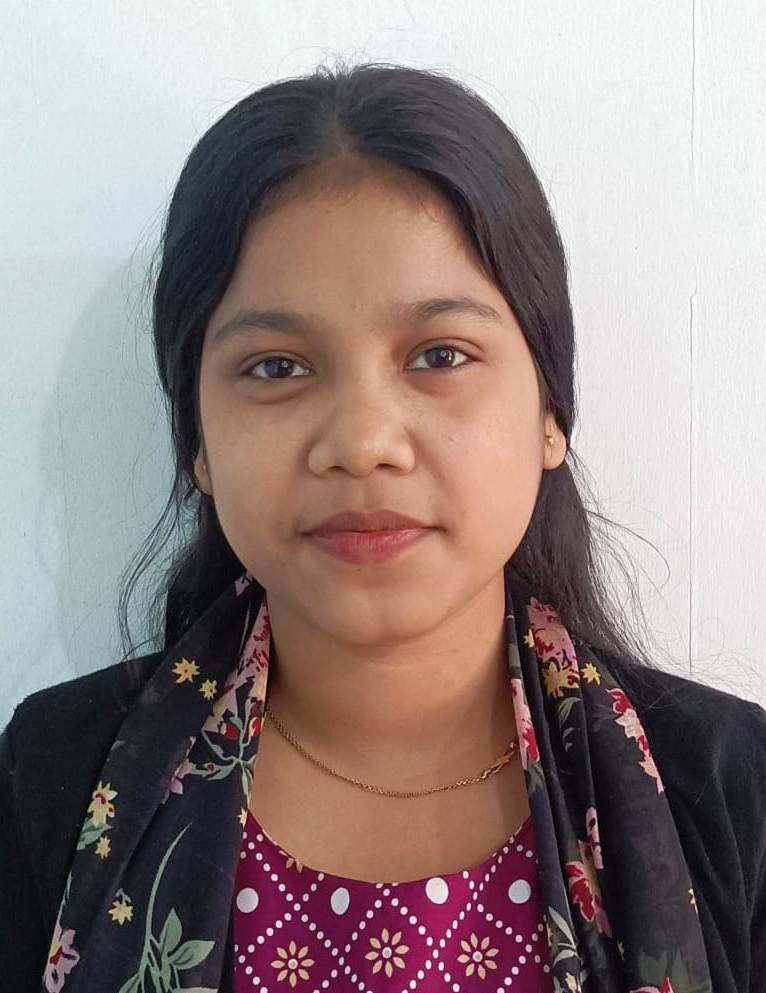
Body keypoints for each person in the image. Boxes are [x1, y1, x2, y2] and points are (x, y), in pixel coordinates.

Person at [1, 60, 764, 993]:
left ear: (549, 413)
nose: (363, 443)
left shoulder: (730, 787)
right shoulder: (53, 775)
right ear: (197, 441)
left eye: (439, 355)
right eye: (277, 367)